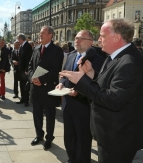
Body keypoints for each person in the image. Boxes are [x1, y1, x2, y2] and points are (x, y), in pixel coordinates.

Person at [59, 18, 143, 163]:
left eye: (102, 36)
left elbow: (114, 100)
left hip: (118, 136)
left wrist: (82, 82)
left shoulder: (129, 61)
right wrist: (92, 74)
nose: (99, 39)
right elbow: (108, 85)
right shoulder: (116, 56)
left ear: (116, 37)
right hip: (109, 133)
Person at [57, 30, 104, 163]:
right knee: (69, 138)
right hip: (67, 104)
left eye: (80, 38)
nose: (76, 41)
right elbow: (64, 75)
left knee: (83, 140)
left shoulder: (98, 60)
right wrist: (60, 84)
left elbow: (97, 84)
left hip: (83, 107)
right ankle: (72, 159)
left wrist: (79, 92)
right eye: (76, 38)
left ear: (90, 42)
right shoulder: (71, 55)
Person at [28, 26, 64, 150]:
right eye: (40, 32)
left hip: (48, 88)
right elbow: (30, 65)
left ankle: (49, 138)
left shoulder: (57, 50)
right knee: (36, 113)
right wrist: (32, 78)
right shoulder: (36, 48)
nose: (40, 35)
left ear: (50, 35)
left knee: (49, 115)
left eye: (43, 33)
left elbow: (56, 70)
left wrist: (41, 80)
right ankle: (39, 135)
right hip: (35, 88)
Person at [16, 33, 32, 106]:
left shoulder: (27, 46)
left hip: (25, 70)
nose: (17, 41)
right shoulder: (22, 46)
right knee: (21, 85)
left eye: (18, 39)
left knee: (25, 85)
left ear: (20, 39)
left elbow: (28, 59)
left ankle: (26, 100)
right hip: (21, 69)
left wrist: (27, 70)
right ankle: (22, 98)